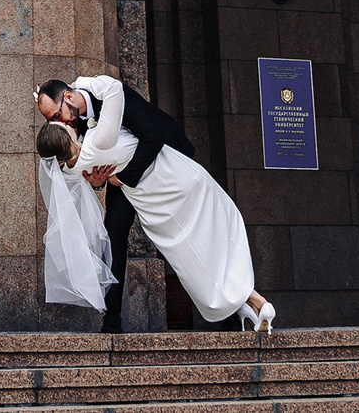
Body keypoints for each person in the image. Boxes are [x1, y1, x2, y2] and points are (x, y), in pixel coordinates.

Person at [34, 75, 275, 332]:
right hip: (125, 174)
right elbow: (85, 160)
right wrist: (98, 181)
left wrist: (121, 179)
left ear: (68, 97)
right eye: (51, 120)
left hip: (158, 163)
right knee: (115, 230)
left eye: (56, 115)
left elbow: (153, 136)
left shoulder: (109, 100)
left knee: (187, 239)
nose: (57, 122)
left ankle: (230, 311)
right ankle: (112, 317)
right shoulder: (71, 124)